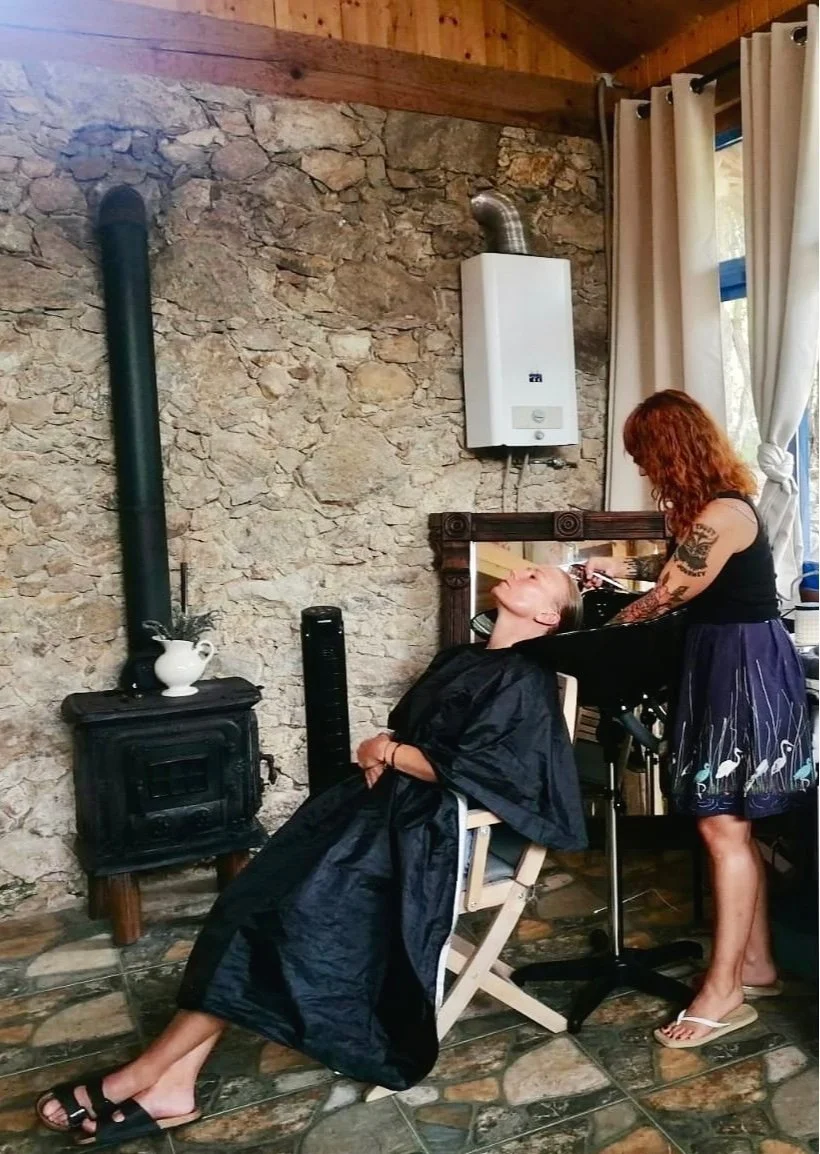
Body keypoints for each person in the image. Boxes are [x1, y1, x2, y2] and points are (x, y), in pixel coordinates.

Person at [37, 565, 585, 1148]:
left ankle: (147, 1075)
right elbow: (417, 735)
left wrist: (389, 751)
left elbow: (496, 776)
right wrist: (385, 750)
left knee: (283, 918)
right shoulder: (464, 658)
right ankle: (174, 1081)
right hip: (376, 811)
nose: (519, 571)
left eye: (535, 577)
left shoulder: (524, 680)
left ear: (548, 617)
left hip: (427, 835)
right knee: (251, 899)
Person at [583, 389, 813, 1050]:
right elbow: (675, 571)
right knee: (729, 825)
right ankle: (758, 967)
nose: (646, 471)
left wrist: (610, 629)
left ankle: (725, 992)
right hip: (723, 660)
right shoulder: (712, 515)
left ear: (670, 450)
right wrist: (617, 571)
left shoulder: (725, 513)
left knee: (723, 827)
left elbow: (673, 590)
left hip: (744, 669)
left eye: (646, 456)